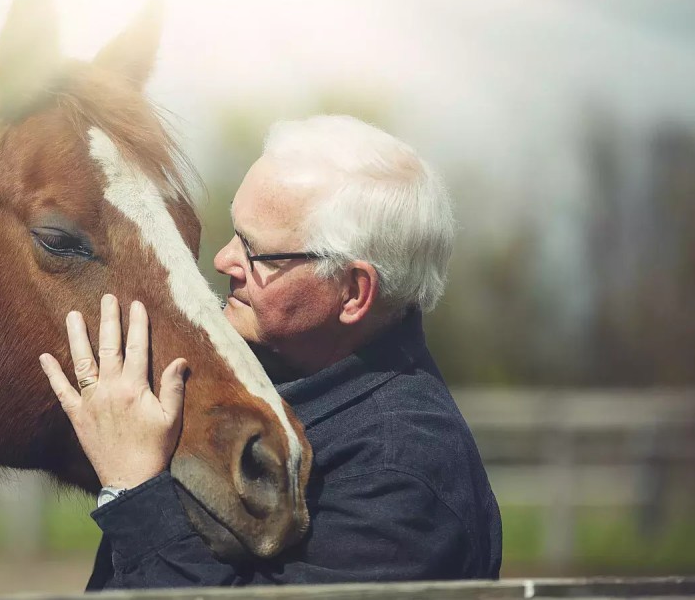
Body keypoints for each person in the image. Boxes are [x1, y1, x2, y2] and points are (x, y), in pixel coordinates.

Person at [39, 115, 502, 588]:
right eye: (234, 231)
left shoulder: (398, 472)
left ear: (353, 291)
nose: (223, 260)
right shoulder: (253, 378)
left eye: (255, 251)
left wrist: (135, 491)